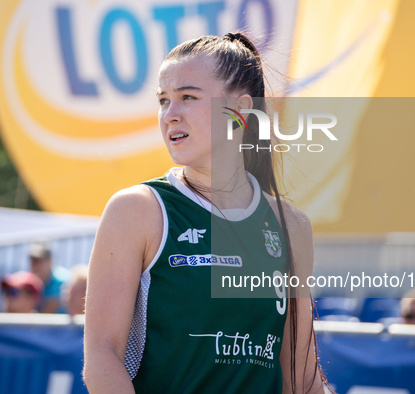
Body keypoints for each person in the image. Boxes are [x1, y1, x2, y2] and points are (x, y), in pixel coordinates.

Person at [83, 33, 328, 393]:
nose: (170, 115)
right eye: (163, 101)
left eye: (187, 97)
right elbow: (102, 358)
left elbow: (301, 377)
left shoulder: (290, 225)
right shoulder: (138, 210)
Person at [29, 241, 71, 313]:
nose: (36, 265)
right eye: (33, 260)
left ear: (50, 260)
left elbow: (46, 314)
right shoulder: (34, 280)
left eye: (40, 261)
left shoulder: (59, 279)